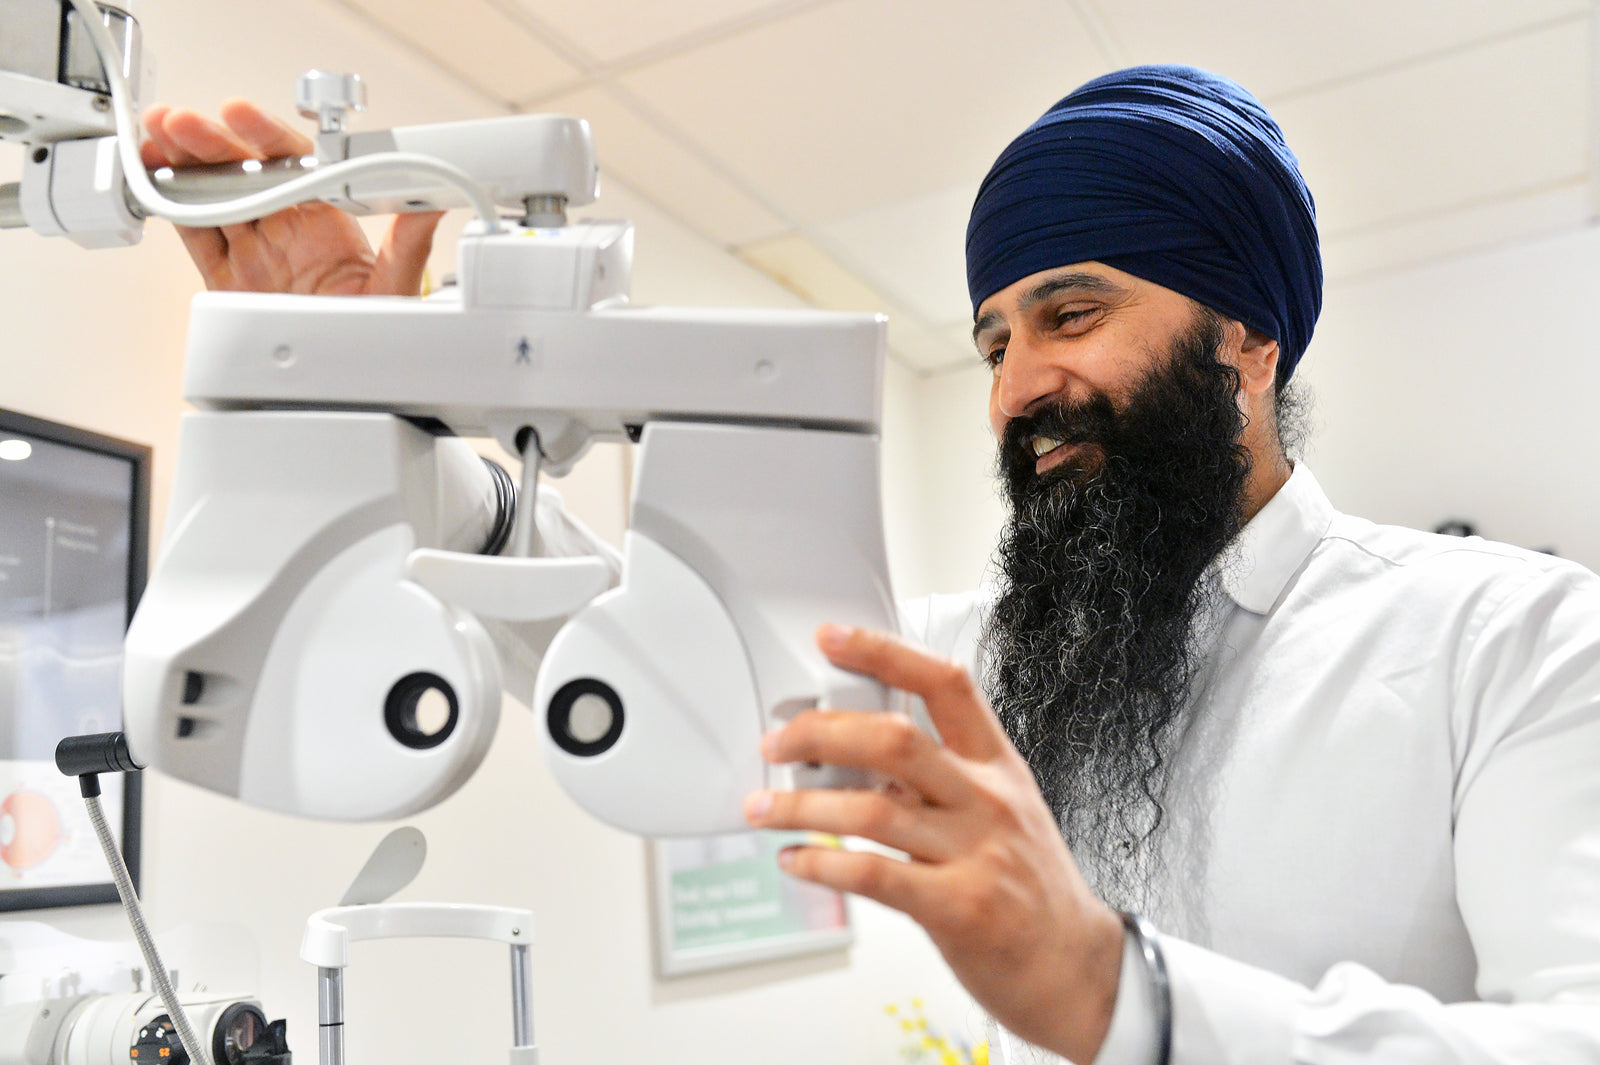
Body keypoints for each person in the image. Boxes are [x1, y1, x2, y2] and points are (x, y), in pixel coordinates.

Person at [143, 66, 1600, 1064]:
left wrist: (1119, 993)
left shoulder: (1515, 645)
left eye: (1071, 312)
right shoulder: (979, 667)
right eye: (991, 341)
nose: (1014, 387)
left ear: (1247, 343)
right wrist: (395, 421)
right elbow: (644, 665)